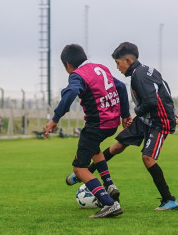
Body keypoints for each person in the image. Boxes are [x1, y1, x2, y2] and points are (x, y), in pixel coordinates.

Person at [79, 42, 178, 211]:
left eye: (118, 63)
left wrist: (138, 111)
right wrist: (169, 109)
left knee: (147, 158)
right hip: (147, 119)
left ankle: (169, 200)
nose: (117, 67)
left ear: (127, 60)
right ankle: (86, 171)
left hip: (158, 122)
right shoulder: (147, 70)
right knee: (118, 146)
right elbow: (164, 87)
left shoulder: (139, 75)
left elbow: (150, 101)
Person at [45, 44, 130, 218]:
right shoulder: (100, 68)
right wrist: (125, 115)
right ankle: (109, 185)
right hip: (111, 123)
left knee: (79, 168)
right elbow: (121, 86)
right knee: (94, 149)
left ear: (68, 64)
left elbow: (71, 93)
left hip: (96, 125)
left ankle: (109, 203)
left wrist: (55, 119)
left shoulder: (78, 75)